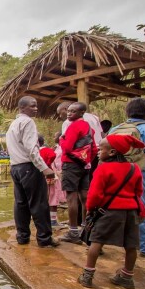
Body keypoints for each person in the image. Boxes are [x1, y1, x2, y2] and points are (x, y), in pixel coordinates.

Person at [77, 134, 145, 289]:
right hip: (132, 211)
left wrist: (90, 210)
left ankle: (87, 276)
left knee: (96, 242)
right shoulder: (133, 168)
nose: (98, 151)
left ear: (112, 152)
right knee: (131, 245)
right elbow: (139, 191)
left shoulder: (103, 169)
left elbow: (95, 194)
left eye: (101, 149)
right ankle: (127, 277)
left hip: (108, 211)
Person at [111, 98, 145, 259]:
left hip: (116, 172)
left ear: (127, 112)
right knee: (141, 208)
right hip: (139, 173)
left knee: (116, 205)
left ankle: (110, 241)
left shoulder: (117, 128)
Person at [5, 96, 59, 248]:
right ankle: (44, 238)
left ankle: (22, 237)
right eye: (32, 106)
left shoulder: (13, 124)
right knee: (39, 203)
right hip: (28, 167)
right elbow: (31, 149)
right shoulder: (28, 122)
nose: (36, 108)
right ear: (22, 107)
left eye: (36, 105)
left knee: (20, 203)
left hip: (16, 167)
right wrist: (44, 168)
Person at [59, 102, 97, 244]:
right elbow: (93, 149)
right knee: (85, 196)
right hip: (84, 165)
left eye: (73, 111)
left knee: (71, 197)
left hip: (70, 165)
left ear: (81, 113)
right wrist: (86, 160)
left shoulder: (73, 126)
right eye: (68, 111)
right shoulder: (89, 128)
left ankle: (73, 232)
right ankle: (85, 229)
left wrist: (61, 140)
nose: (69, 113)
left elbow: (67, 148)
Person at [39, 134, 62, 227]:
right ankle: (53, 220)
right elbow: (53, 155)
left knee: (42, 197)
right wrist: (48, 165)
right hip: (50, 176)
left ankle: (42, 218)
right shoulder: (47, 150)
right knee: (53, 196)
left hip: (39, 176)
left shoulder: (34, 151)